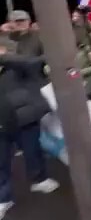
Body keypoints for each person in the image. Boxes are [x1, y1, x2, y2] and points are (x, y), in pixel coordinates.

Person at [0, 38, 58, 218]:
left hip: (23, 117)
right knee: (1, 161)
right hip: (1, 122)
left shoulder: (19, 65)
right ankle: (4, 198)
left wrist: (3, 58)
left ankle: (39, 179)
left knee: (32, 150)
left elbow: (34, 62)